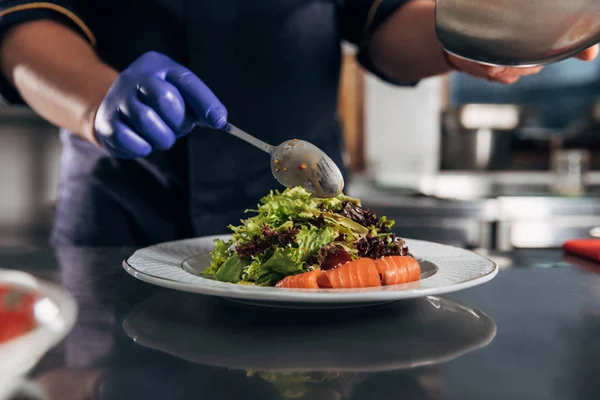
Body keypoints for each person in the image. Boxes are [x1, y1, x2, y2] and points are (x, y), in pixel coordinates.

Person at [0, 0, 597, 247]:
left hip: (306, 209)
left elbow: (384, 23)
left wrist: (470, 32)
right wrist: (96, 102)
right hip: (120, 211)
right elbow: (21, 17)